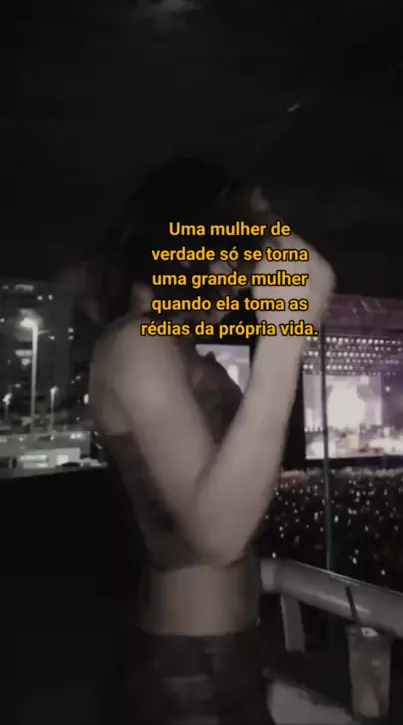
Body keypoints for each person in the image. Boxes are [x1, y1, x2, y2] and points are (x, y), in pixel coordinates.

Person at [87, 157, 335, 724]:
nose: (242, 276)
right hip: (190, 673)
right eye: (234, 253)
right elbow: (219, 536)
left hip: (222, 654)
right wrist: (285, 334)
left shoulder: (179, 351)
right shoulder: (137, 344)